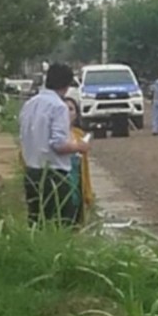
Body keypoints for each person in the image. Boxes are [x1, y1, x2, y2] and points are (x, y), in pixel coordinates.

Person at [19, 63, 89, 227]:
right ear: (66, 85)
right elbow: (58, 144)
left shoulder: (29, 104)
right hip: (54, 176)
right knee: (63, 223)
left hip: (31, 172)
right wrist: (79, 147)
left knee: (37, 222)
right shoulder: (58, 107)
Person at [63, 97, 94, 225]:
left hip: (76, 184)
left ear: (76, 115)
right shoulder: (53, 134)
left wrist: (87, 191)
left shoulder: (79, 135)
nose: (67, 112)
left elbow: (85, 168)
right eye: (63, 108)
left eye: (71, 109)